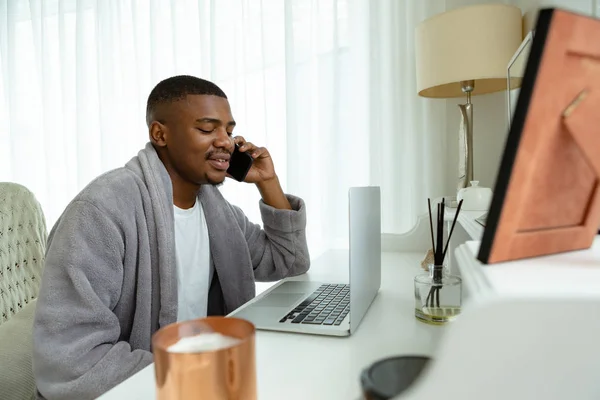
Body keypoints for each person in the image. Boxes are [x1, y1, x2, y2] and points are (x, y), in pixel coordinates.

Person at [32, 75, 310, 400]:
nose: (225, 142)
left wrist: (268, 181)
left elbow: (288, 262)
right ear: (160, 134)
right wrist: (196, 378)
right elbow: (69, 361)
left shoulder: (217, 211)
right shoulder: (100, 211)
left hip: (207, 379)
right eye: (207, 129)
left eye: (229, 131)